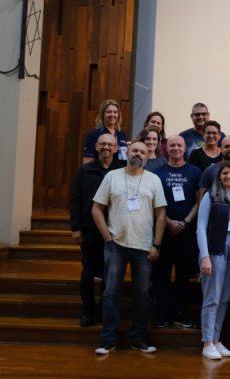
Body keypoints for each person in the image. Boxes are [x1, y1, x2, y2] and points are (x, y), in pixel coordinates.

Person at [91, 142, 167, 355]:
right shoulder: (112, 176)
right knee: (110, 292)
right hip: (115, 245)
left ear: (146, 156)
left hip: (144, 246)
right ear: (127, 153)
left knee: (142, 294)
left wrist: (156, 244)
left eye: (143, 152)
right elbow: (96, 209)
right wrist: (107, 236)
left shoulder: (154, 179)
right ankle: (108, 339)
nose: (139, 154)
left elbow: (161, 214)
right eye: (135, 150)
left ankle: (138, 337)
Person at [196, 161, 230, 360]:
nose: (228, 177)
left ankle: (216, 340)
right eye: (225, 173)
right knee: (212, 297)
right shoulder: (210, 196)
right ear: (219, 177)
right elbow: (200, 228)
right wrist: (205, 256)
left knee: (225, 296)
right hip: (216, 246)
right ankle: (207, 342)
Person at [69, 133, 122, 327]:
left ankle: (103, 311)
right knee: (88, 272)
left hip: (115, 231)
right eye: (103, 144)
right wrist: (76, 228)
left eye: (110, 144)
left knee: (111, 274)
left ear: (116, 149)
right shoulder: (85, 171)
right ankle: (88, 311)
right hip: (90, 230)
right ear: (97, 147)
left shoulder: (121, 171)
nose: (106, 147)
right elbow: (75, 200)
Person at [152, 136, 203, 329]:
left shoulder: (195, 172)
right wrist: (169, 222)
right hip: (163, 232)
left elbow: (200, 200)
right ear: (167, 149)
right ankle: (163, 313)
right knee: (162, 274)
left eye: (179, 145)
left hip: (187, 233)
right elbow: (152, 202)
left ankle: (182, 312)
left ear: (184, 149)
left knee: (183, 275)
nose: (175, 148)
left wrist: (185, 222)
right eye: (172, 145)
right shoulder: (157, 173)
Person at [82, 99, 128, 165]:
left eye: (115, 112)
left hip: (119, 173)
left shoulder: (121, 133)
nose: (112, 115)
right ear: (103, 114)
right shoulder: (94, 133)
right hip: (101, 173)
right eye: (109, 112)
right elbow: (88, 160)